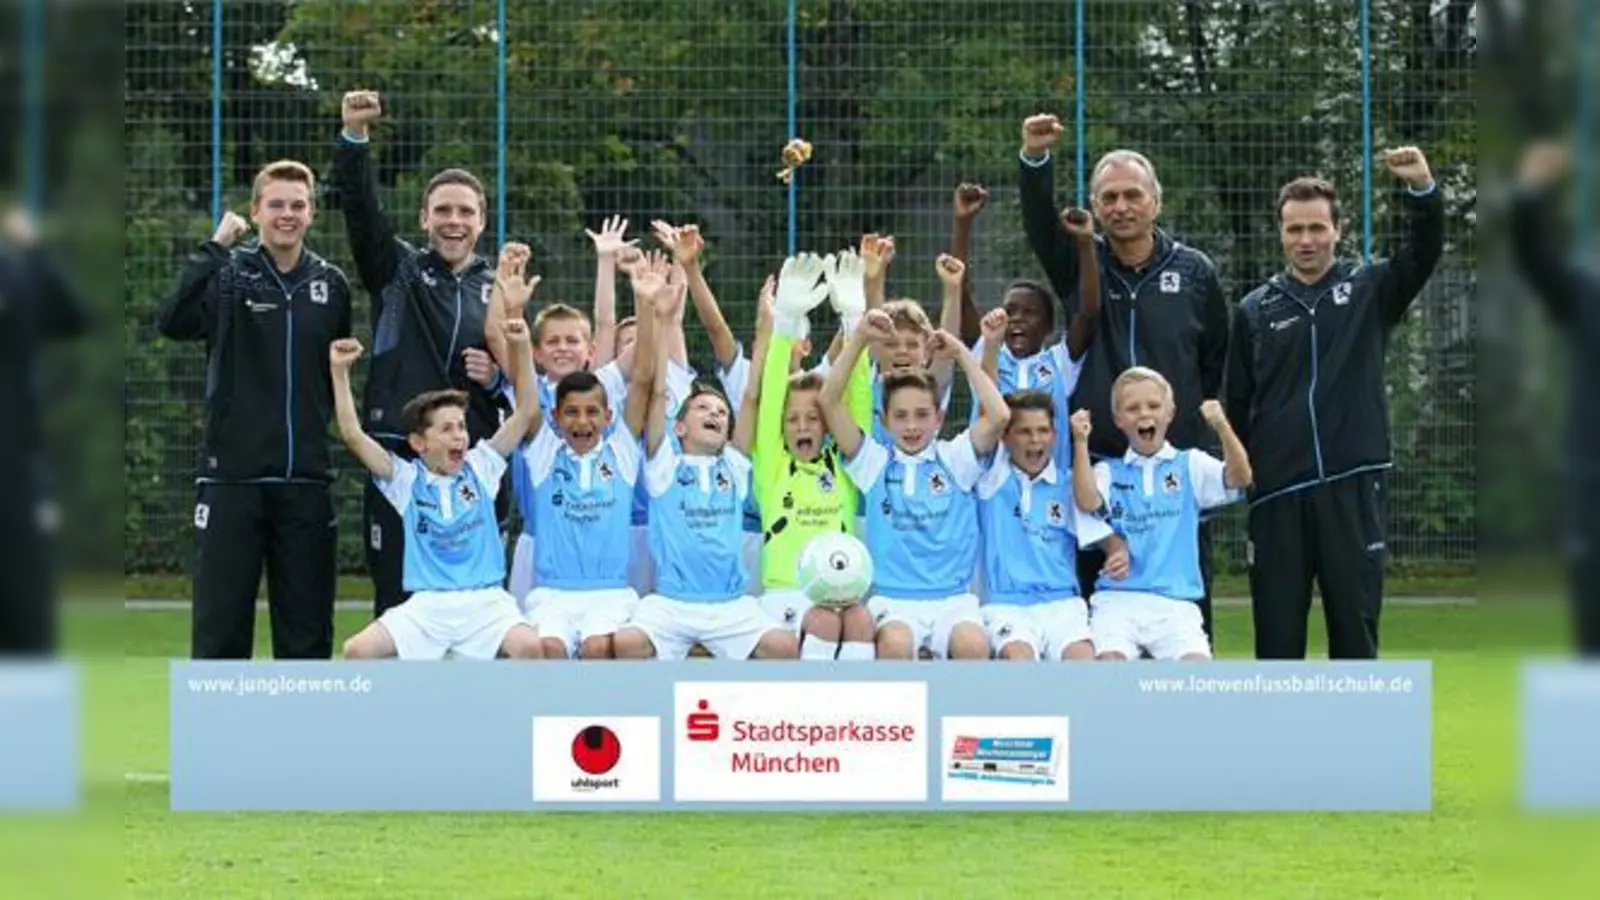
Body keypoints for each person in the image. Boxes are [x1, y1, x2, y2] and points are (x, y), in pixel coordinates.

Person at [1017, 114, 1231, 644]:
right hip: (1100, 467)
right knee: (1098, 627)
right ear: (1095, 207)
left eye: (1132, 195)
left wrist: (1193, 436)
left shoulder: (1196, 271)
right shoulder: (1080, 262)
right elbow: (1040, 226)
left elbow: (1215, 363)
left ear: (1156, 202)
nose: (1121, 206)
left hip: (1171, 473)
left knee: (1185, 619)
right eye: (1108, 198)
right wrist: (1035, 160)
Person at [1224, 148, 1443, 659]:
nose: (1306, 240)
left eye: (1317, 228)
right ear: (1281, 233)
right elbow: (1238, 402)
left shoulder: (1369, 289)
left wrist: (1423, 190)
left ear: (1338, 230)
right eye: (1295, 229)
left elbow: (1424, 251)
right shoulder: (1255, 309)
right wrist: (1245, 477)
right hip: (1277, 496)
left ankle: (1356, 717)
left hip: (1352, 486)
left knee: (1355, 637)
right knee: (1277, 646)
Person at [154, 161, 352, 660]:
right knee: (220, 635)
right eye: (276, 204)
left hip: (305, 482)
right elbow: (172, 321)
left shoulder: (332, 285)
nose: (288, 214)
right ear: (255, 211)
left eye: (298, 205)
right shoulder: (227, 273)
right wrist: (214, 247)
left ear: (312, 213)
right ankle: (219, 716)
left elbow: (333, 376)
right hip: (231, 481)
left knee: (307, 639)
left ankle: (300, 717)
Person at [333, 89, 511, 620]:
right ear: (424, 219)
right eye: (443, 211)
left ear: (482, 221)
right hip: (401, 458)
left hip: (468, 461)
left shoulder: (499, 286)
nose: (454, 221)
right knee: (398, 606)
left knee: (475, 605)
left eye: (466, 211)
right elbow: (362, 215)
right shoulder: (399, 271)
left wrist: (496, 378)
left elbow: (527, 380)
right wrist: (355, 139)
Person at [331, 252, 543, 661]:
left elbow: (527, 412)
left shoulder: (482, 466)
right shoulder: (405, 480)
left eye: (461, 427)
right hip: (427, 605)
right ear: (419, 442)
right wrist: (339, 373)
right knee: (358, 651)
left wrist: (519, 345)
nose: (459, 435)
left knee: (530, 648)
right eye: (446, 429)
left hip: (485, 602)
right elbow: (353, 436)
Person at [609, 264, 799, 661]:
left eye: (720, 411)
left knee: (783, 647)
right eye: (703, 408)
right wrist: (659, 317)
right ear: (679, 427)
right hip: (672, 603)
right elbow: (656, 391)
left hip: (728, 605)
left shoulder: (734, 467)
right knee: (626, 643)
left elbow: (751, 396)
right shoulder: (663, 466)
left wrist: (767, 325)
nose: (715, 413)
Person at [821, 295, 1012, 661]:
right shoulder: (874, 463)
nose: (911, 426)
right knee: (895, 644)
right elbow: (829, 400)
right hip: (892, 600)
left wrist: (960, 353)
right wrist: (858, 338)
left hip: (953, 599)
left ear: (938, 418)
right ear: (885, 420)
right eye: (901, 416)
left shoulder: (956, 458)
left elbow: (1000, 415)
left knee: (973, 645)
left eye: (922, 415)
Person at [514, 248, 664, 659]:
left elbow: (644, 377)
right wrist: (516, 323)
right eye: (572, 413)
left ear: (608, 416)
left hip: (609, 592)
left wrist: (646, 304)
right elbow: (526, 396)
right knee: (547, 648)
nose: (582, 421)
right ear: (556, 417)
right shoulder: (545, 455)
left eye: (592, 412)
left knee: (600, 647)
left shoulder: (621, 452)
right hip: (552, 593)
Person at [748, 252, 878, 660]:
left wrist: (854, 321)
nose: (802, 426)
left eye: (813, 418)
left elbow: (858, 402)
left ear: (826, 425)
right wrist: (785, 323)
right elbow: (771, 397)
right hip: (785, 596)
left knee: (860, 620)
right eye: (793, 419)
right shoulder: (772, 466)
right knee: (823, 622)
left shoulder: (843, 467)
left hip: (841, 592)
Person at [1071, 371, 1251, 661]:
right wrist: (1080, 442)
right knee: (1109, 667)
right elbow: (1086, 500)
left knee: (1195, 674)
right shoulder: (1108, 471)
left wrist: (1221, 425)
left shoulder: (1190, 463)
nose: (1144, 414)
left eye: (1153, 406)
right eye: (1132, 408)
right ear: (1118, 420)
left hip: (1176, 603)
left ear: (1170, 413)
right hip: (1118, 602)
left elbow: (1240, 478)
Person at [1510, 139, 1599, 656]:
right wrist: (1528, 195)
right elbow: (1537, 263)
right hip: (1593, 468)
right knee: (1591, 589)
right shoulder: (1586, 291)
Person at [0, 207, 89, 656]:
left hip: (14, 466)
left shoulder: (15, 274)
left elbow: (72, 315)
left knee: (26, 608)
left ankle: (30, 693)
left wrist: (35, 251)